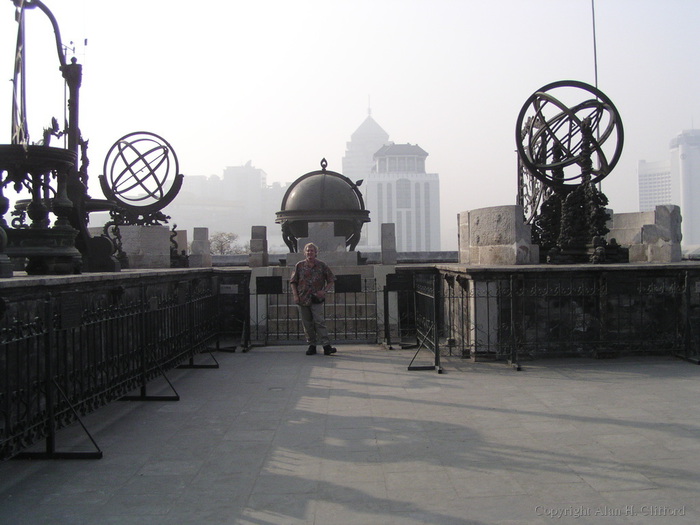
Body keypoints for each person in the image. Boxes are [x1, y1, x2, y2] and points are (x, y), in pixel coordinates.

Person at [290, 242, 337, 356]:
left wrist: (324, 291)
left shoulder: (322, 265)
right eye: (308, 250)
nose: (310, 252)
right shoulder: (299, 265)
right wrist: (296, 295)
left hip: (316, 298)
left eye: (312, 251)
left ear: (316, 253)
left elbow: (331, 279)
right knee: (307, 324)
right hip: (303, 298)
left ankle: (326, 345)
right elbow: (293, 282)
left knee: (319, 322)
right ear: (304, 253)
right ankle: (312, 345)